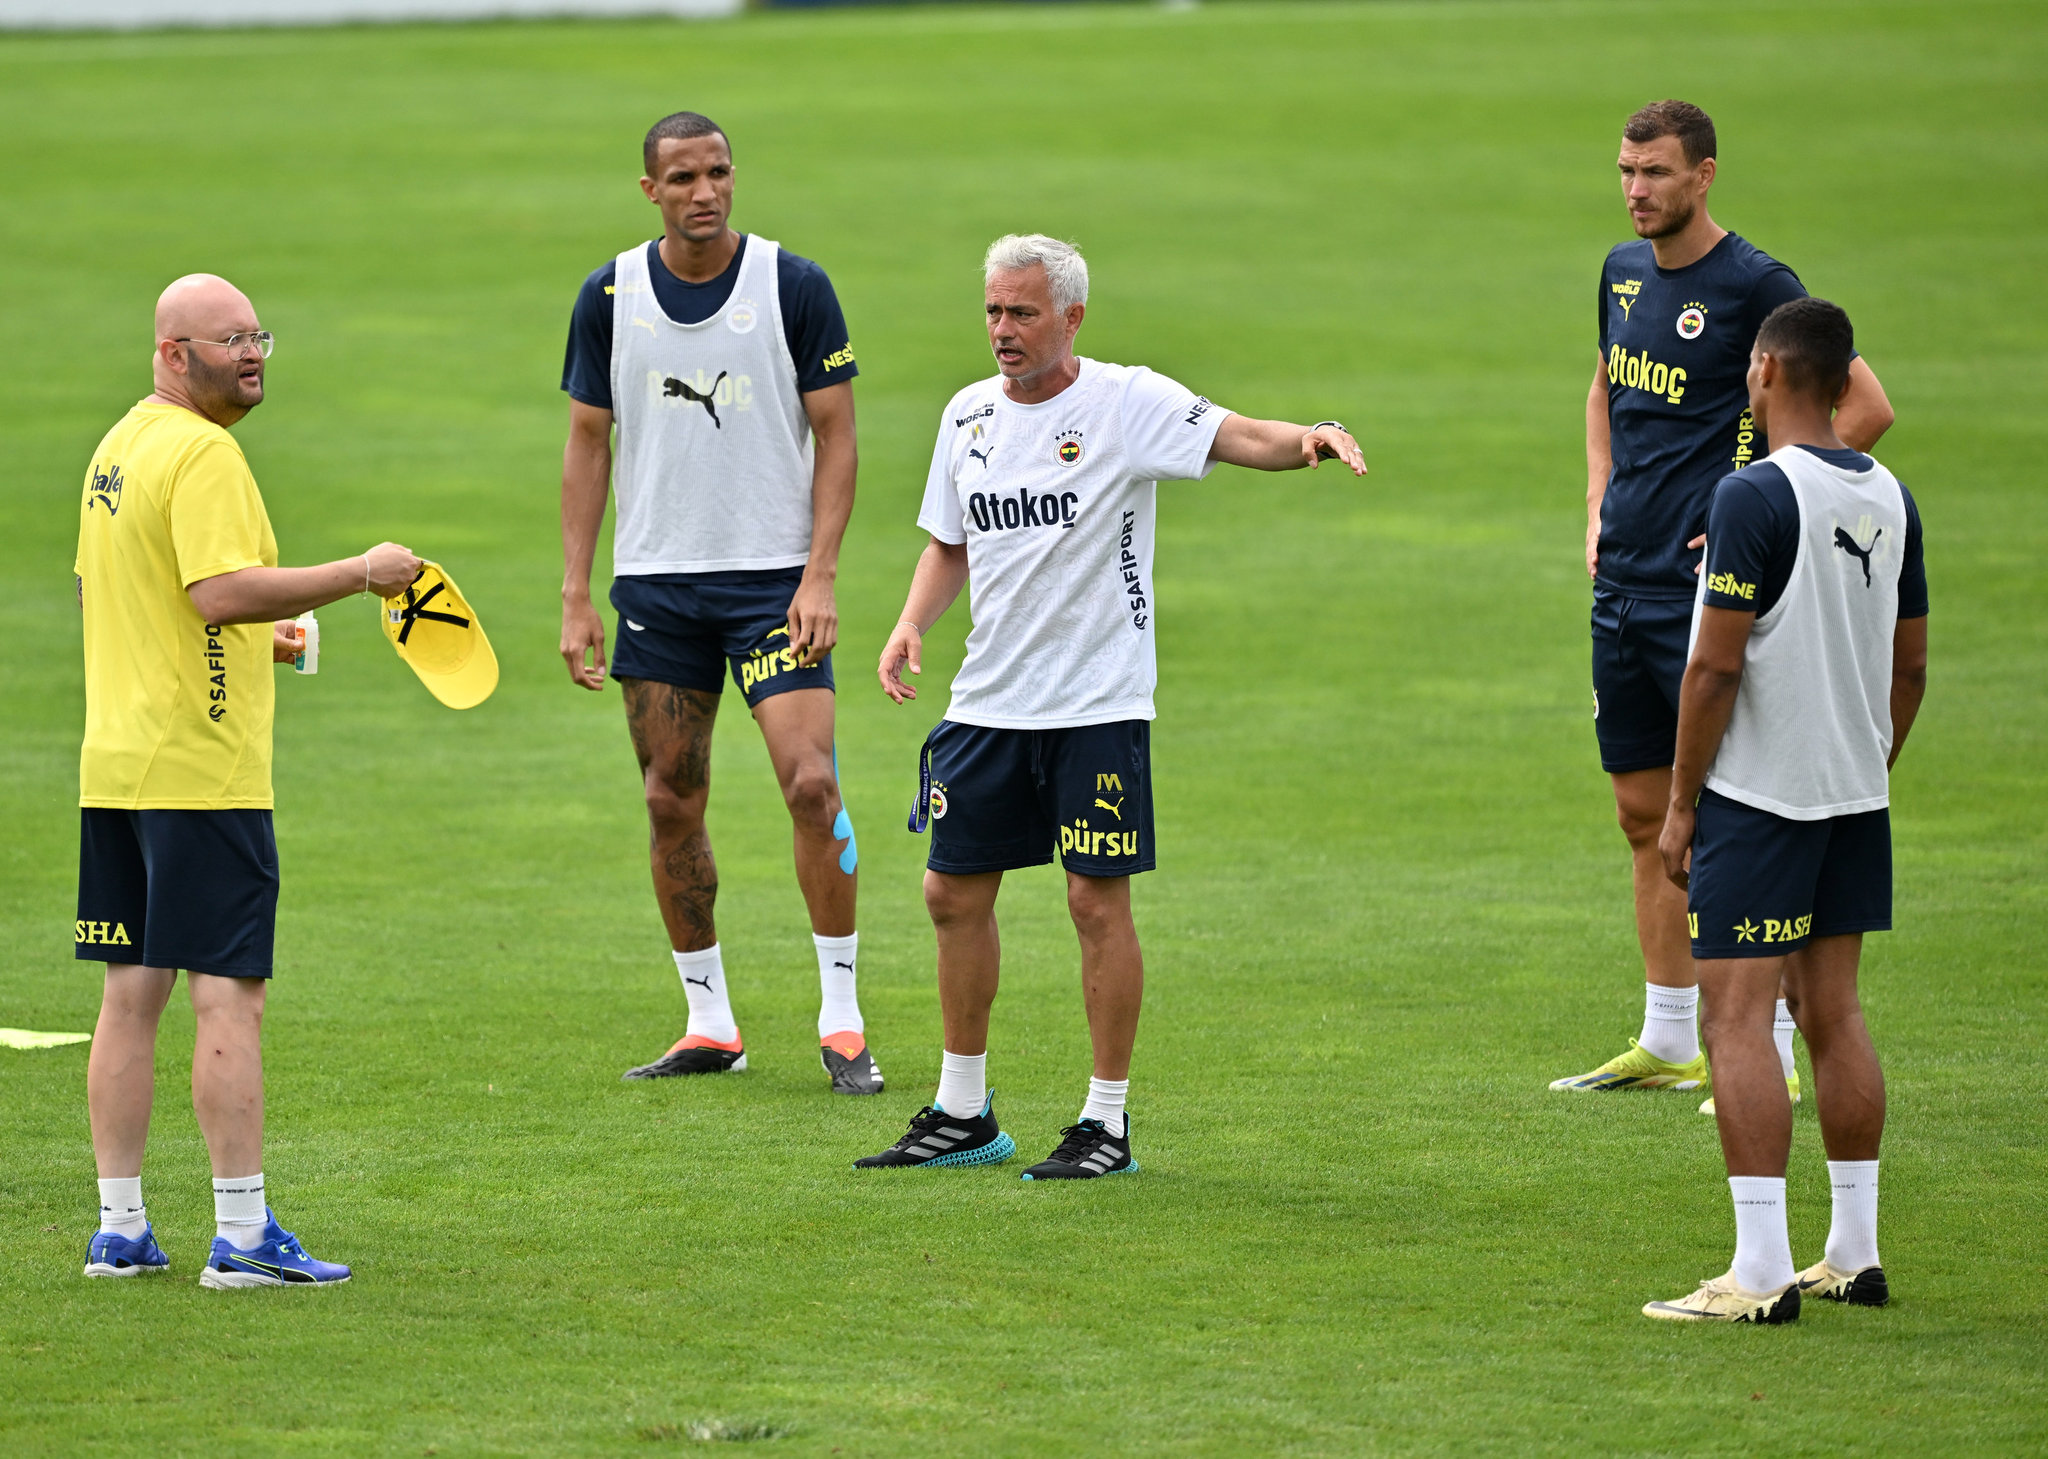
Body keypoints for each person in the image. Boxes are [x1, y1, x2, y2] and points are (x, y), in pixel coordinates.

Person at [855, 235, 1366, 1178]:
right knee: (948, 891)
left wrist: (1306, 442)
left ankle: (1107, 1123)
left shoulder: (1127, 401)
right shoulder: (966, 415)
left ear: (1072, 317)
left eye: (1023, 314)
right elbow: (950, 542)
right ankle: (964, 1110)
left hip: (1097, 702)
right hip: (989, 701)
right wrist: (910, 623)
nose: (1003, 331)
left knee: (1095, 902)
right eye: (994, 312)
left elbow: (1235, 434)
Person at [76, 273, 422, 1286]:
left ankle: (122, 1227)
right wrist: (362, 572)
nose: (254, 353)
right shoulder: (204, 452)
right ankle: (241, 1235)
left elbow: (118, 591)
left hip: (120, 765)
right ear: (176, 354)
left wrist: (264, 639)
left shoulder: (118, 447)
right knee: (230, 997)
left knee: (130, 996)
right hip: (202, 772)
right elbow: (215, 589)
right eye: (230, 340)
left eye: (259, 335)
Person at [1552, 100, 1898, 1107]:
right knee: (1635, 810)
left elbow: (1862, 408)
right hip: (1622, 583)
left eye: (1653, 172)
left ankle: (1771, 1049)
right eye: (1623, 170)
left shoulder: (1755, 284)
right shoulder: (1620, 272)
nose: (1633, 190)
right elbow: (1604, 387)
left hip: (1708, 597)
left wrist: (1762, 512)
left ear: (1702, 176)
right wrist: (1593, 502)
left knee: (1737, 817)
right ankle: (1667, 1037)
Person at [558, 111, 878, 1093]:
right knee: (668, 798)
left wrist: (817, 573)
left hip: (772, 587)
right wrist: (575, 594)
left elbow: (838, 437)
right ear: (648, 189)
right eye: (684, 177)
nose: (705, 191)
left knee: (809, 783)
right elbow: (585, 444)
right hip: (658, 587)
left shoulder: (793, 286)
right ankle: (708, 1021)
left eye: (719, 172)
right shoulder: (609, 295)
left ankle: (842, 1018)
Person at [1642, 297, 1925, 1322]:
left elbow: (1712, 669)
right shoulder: (1891, 496)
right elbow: (1912, 662)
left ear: (1762, 371)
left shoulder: (1751, 496)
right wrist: (1866, 757)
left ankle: (1757, 1269)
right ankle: (1851, 1249)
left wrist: (1680, 808)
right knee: (1832, 1013)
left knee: (1732, 1018)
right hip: (1853, 795)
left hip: (1760, 800)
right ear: (1845, 379)